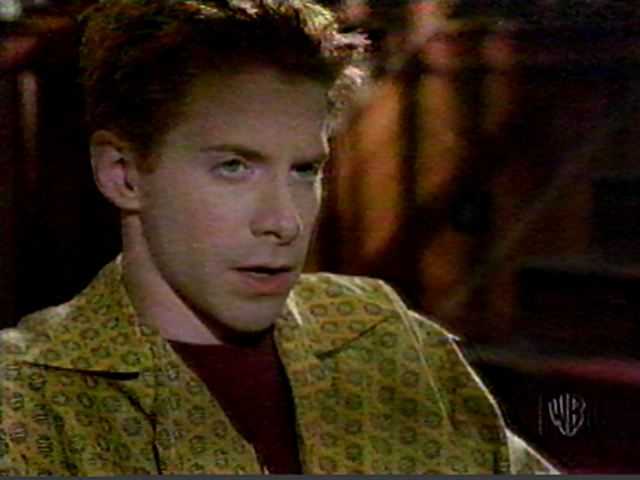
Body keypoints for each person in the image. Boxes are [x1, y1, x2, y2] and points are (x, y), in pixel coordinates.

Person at [0, 0, 554, 475]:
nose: (285, 221)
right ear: (123, 174)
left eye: (305, 170)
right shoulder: (24, 397)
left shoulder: (385, 334)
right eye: (234, 167)